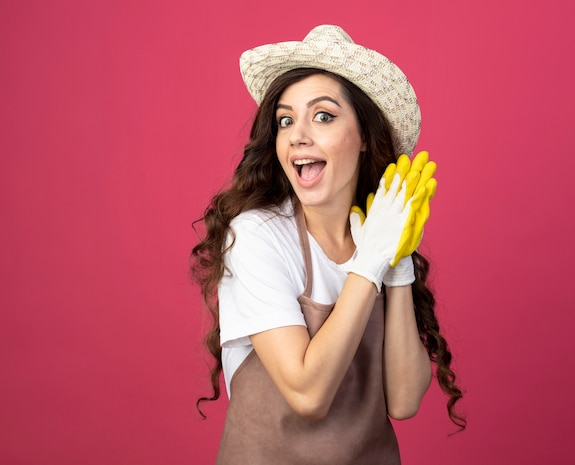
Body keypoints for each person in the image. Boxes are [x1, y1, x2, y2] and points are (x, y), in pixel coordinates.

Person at [191, 24, 465, 464]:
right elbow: (307, 392)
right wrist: (369, 264)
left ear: (362, 139)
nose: (298, 134)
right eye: (285, 119)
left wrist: (395, 267)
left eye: (323, 115)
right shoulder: (258, 235)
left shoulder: (379, 232)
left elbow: (404, 400)